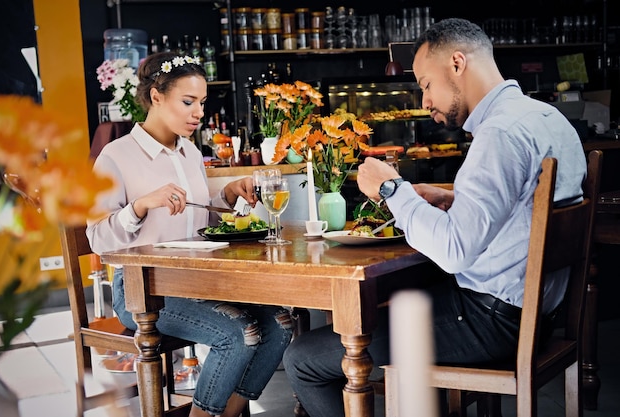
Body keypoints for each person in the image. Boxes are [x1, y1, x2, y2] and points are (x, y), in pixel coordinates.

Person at [282, 18, 587, 417]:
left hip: (491, 322)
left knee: (304, 358)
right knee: (399, 305)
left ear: (457, 62)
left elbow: (454, 252)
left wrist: (393, 189)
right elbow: (529, 201)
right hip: (538, 315)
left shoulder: (499, 133)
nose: (425, 102)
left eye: (426, 84)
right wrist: (451, 195)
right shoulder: (545, 118)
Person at [87, 51, 294, 417]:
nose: (198, 112)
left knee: (279, 323)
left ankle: (227, 413)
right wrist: (140, 206)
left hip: (197, 282)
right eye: (188, 102)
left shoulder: (190, 153)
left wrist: (226, 195)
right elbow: (98, 239)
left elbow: (195, 219)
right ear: (155, 96)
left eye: (201, 102)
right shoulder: (115, 156)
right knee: (239, 333)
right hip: (142, 290)